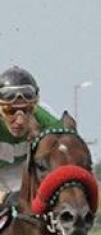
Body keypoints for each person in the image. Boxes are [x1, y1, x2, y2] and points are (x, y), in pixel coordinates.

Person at [0, 66, 64, 196]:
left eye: (26, 110)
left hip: (25, 171)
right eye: (10, 111)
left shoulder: (49, 122)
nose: (19, 121)